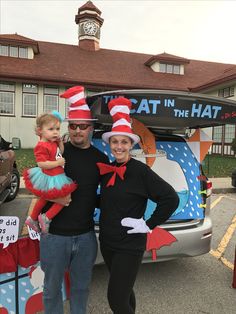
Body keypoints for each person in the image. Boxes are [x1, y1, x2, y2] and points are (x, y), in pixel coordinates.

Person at [97, 97, 179, 314]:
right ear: (110, 144)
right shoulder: (107, 171)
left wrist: (148, 224)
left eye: (124, 142)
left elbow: (171, 199)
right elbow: (105, 201)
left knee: (115, 299)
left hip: (129, 245)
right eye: (115, 142)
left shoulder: (140, 172)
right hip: (108, 242)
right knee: (125, 293)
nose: (119, 146)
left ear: (131, 144)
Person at [39, 86, 109, 314]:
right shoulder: (57, 154)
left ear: (91, 128)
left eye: (83, 126)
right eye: (73, 126)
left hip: (86, 236)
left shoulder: (100, 158)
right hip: (55, 236)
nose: (78, 131)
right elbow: (38, 185)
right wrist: (53, 197)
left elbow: (109, 195)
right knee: (51, 289)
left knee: (81, 289)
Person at [23, 111, 77, 233]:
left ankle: (32, 218)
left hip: (57, 174)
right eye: (51, 129)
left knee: (46, 197)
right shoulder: (41, 145)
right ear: (40, 130)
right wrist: (57, 163)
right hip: (51, 176)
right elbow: (41, 163)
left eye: (57, 129)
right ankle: (46, 217)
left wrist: (60, 142)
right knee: (64, 199)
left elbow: (60, 153)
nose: (55, 132)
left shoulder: (52, 143)